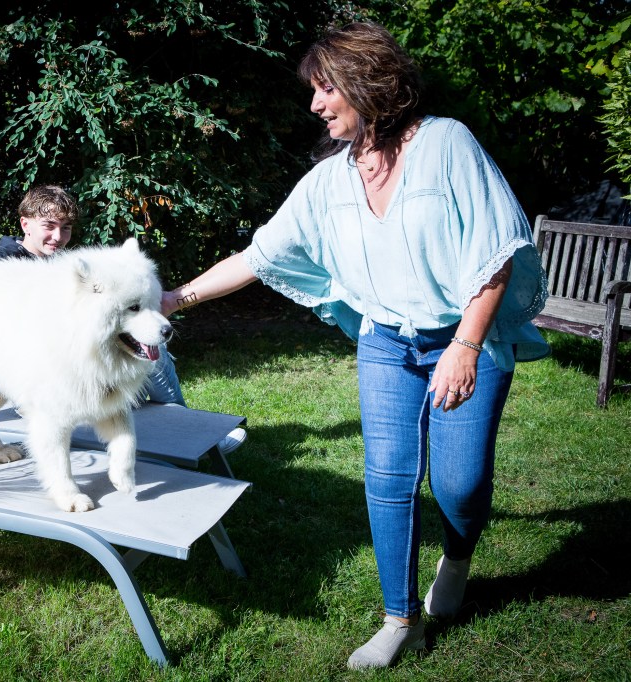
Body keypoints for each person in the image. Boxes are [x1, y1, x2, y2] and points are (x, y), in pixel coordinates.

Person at [160, 22, 549, 670]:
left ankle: (456, 560)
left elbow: (496, 251)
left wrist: (466, 344)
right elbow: (259, 256)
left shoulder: (447, 144)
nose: (315, 104)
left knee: (460, 484)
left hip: (461, 336)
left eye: (324, 87)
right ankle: (401, 619)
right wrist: (176, 299)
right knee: (389, 478)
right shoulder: (330, 181)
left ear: (368, 82)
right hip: (386, 344)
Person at [0, 184, 247, 455]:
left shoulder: (67, 263)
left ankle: (189, 431)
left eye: (66, 227)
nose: (58, 236)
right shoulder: (1, 264)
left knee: (152, 349)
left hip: (81, 369)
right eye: (49, 225)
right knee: (146, 352)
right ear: (25, 224)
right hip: (39, 380)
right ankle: (189, 434)